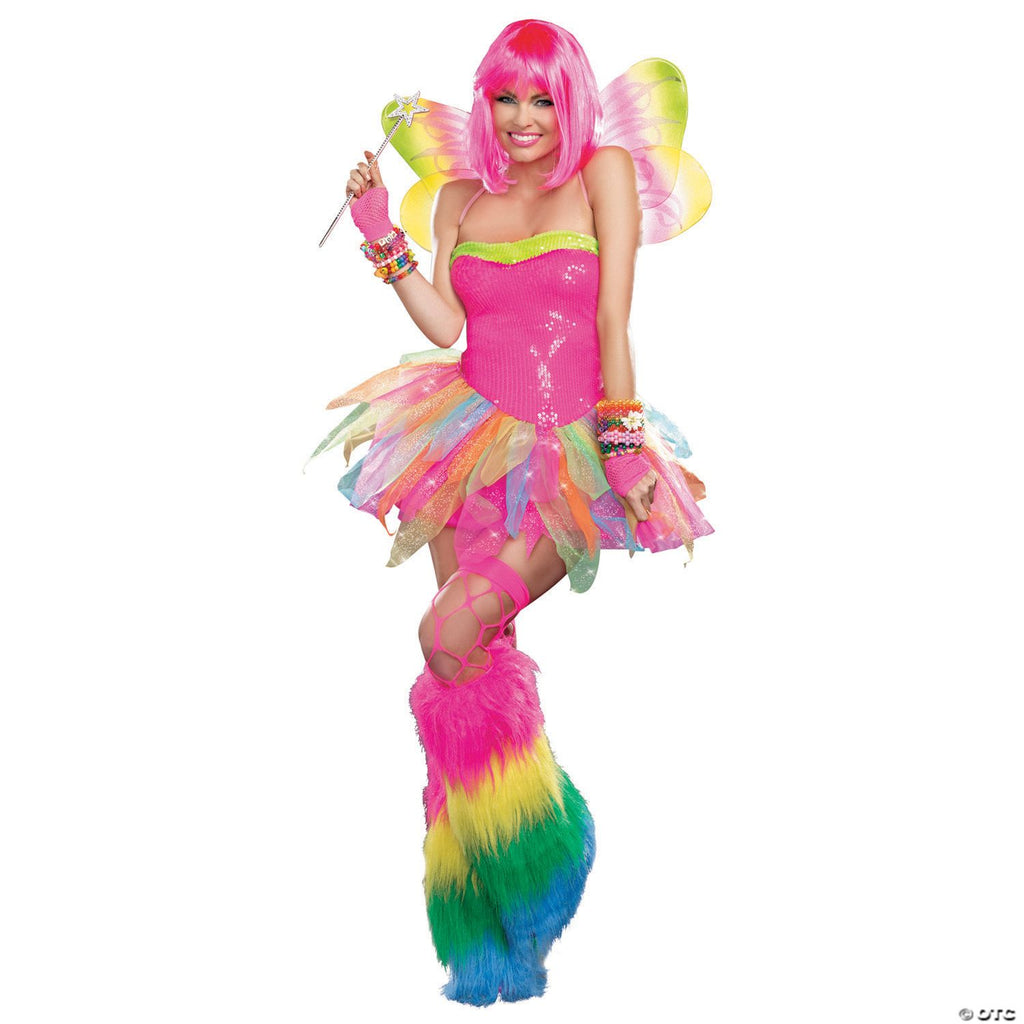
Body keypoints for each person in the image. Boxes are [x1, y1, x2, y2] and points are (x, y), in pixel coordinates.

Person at [313, 19, 713, 1004]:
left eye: (543, 97)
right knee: (466, 664)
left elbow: (613, 320)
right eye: (506, 97)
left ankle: (547, 854)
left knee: (446, 633)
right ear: (485, 102)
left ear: (570, 102)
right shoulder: (460, 197)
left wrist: (623, 447)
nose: (524, 117)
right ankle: (486, 935)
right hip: (467, 445)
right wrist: (380, 235)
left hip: (567, 451)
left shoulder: (602, 176)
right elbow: (448, 324)